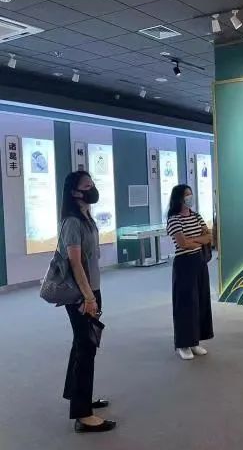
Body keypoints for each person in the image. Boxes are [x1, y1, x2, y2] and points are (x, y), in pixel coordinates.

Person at [59, 171, 116, 433]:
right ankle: (83, 415)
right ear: (74, 192)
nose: (92, 189)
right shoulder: (72, 222)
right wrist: (88, 297)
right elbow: (75, 263)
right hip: (82, 294)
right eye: (87, 186)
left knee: (81, 344)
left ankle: (78, 394)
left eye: (93, 184)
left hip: (91, 289)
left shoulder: (86, 217)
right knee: (86, 348)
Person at [166, 184, 214, 360]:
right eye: (187, 194)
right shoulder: (174, 219)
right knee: (185, 304)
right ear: (179, 198)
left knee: (200, 301)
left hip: (200, 262)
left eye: (191, 194)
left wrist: (193, 240)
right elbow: (183, 244)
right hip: (184, 264)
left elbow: (209, 237)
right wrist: (199, 240)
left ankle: (195, 341)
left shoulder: (197, 216)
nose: (190, 197)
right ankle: (183, 344)